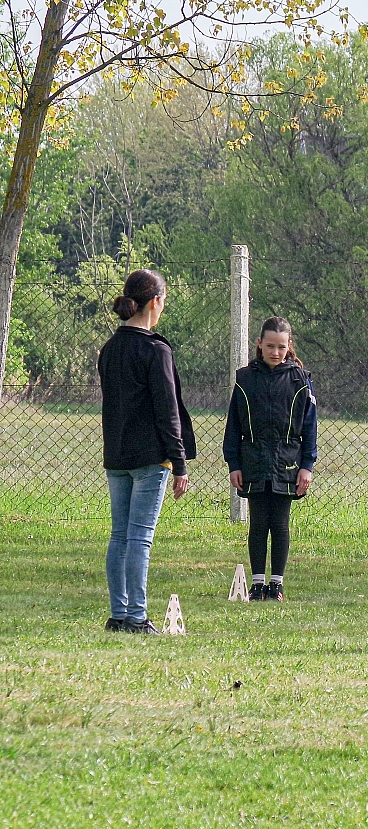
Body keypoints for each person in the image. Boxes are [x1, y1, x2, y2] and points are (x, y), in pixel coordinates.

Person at [98, 269, 195, 634]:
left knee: (119, 536)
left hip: (117, 454)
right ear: (155, 301)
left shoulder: (110, 348)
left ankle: (118, 614)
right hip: (150, 457)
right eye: (163, 301)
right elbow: (168, 411)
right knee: (139, 538)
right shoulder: (156, 350)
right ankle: (137, 617)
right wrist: (180, 463)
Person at [224, 316, 318, 601]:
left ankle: (276, 584)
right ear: (260, 344)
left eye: (281, 347)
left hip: (287, 461)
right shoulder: (245, 379)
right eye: (270, 346)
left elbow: (310, 426)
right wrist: (234, 464)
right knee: (258, 524)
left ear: (289, 346)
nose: (275, 352)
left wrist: (307, 466)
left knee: (279, 524)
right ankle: (257, 584)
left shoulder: (300, 380)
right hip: (253, 460)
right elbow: (234, 425)